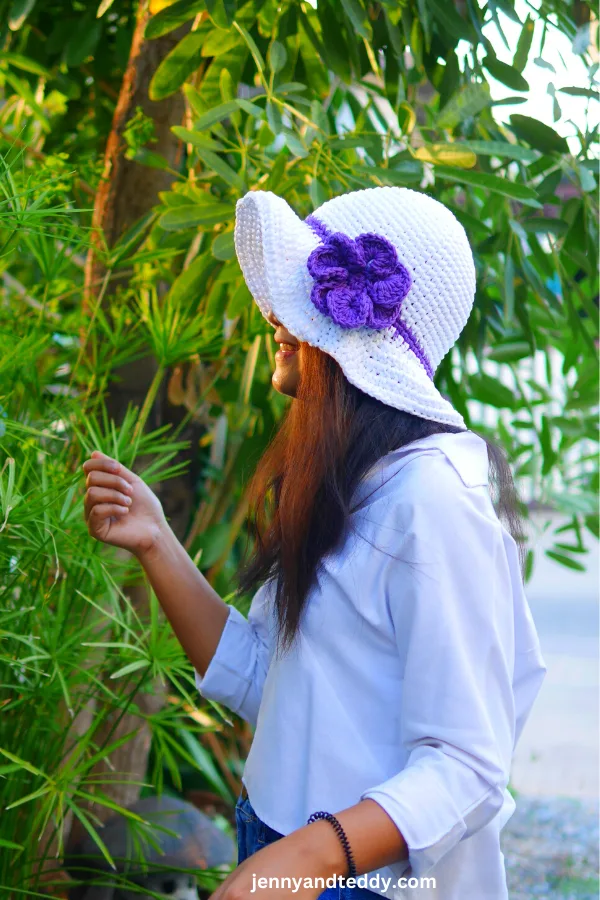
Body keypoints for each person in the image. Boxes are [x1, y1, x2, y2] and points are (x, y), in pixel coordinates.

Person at [83, 187, 546, 900]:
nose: (273, 316)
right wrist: (157, 543)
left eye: (300, 298)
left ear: (358, 334)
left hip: (368, 882)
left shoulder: (435, 503)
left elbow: (466, 764)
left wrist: (302, 861)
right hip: (282, 846)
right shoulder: (350, 484)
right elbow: (271, 684)